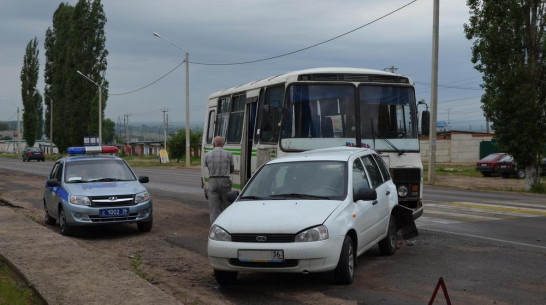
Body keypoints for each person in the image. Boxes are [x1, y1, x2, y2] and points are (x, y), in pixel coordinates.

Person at [205, 136, 234, 224]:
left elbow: (207, 166)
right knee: (226, 207)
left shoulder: (208, 154)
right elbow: (231, 168)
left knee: (214, 209)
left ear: (213, 144)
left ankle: (214, 227)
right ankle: (226, 226)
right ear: (223, 144)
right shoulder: (229, 154)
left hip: (213, 181)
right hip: (225, 181)